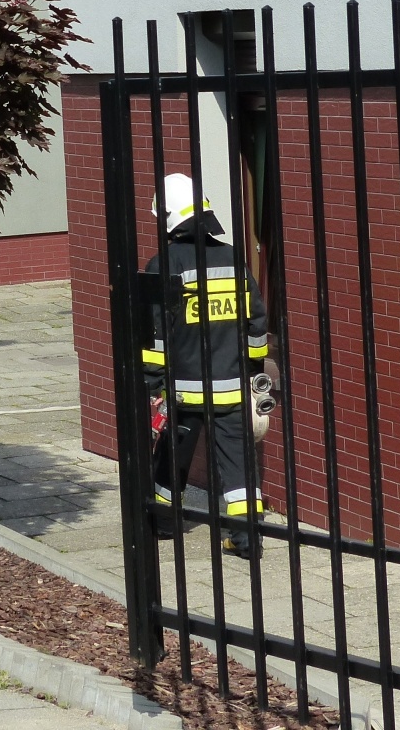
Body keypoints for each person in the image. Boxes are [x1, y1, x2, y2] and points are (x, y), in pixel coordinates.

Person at [142, 172, 269, 559]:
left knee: (172, 454)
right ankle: (247, 540)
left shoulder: (162, 264)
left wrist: (153, 385)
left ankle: (164, 522)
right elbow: (256, 324)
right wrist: (252, 370)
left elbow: (155, 335)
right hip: (232, 386)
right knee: (238, 465)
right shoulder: (234, 259)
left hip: (183, 390)